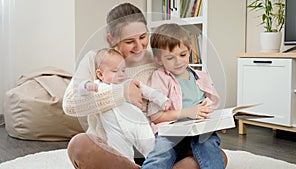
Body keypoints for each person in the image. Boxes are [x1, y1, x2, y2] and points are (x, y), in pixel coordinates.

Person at [63, 2, 227, 169]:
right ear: (111, 38)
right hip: (114, 149)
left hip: (155, 146)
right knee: (79, 145)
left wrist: (213, 120)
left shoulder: (161, 59)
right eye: (129, 41)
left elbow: (187, 92)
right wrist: (120, 93)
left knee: (216, 155)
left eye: (142, 37)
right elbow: (70, 105)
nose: (139, 47)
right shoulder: (95, 59)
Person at [141, 23, 225, 169]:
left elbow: (208, 109)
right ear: (158, 59)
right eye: (170, 58)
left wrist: (218, 122)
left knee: (209, 145)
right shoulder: (160, 78)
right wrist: (188, 112)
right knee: (161, 152)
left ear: (190, 51)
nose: (178, 61)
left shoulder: (201, 78)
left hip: (199, 130)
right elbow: (156, 116)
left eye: (183, 55)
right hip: (170, 132)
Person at [78, 48, 170, 162]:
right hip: (115, 130)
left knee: (150, 147)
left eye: (123, 70)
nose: (121, 75)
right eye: (115, 71)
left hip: (137, 123)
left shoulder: (128, 82)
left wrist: (162, 100)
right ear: (100, 74)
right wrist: (87, 85)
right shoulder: (98, 86)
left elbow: (148, 91)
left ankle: (156, 164)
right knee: (121, 156)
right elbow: (80, 90)